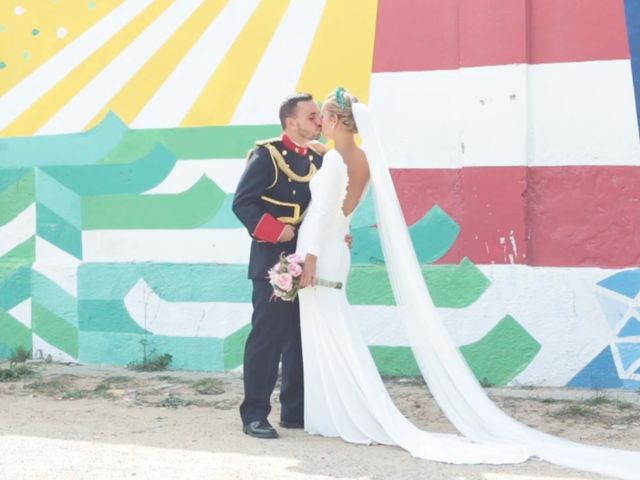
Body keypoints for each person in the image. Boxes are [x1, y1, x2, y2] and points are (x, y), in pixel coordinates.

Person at [294, 87, 640, 479]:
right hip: (339, 247)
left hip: (320, 250)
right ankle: (336, 413)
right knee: (333, 327)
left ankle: (346, 413)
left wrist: (308, 260)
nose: (319, 122)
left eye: (322, 116)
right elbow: (344, 210)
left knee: (328, 329)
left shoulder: (336, 162)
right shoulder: (361, 159)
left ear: (336, 120)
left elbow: (323, 213)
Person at [232, 93, 323, 439]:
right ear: (290, 122)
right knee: (267, 338)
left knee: (301, 338)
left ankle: (295, 412)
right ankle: (254, 414)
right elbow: (242, 204)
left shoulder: (317, 158)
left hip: (308, 259)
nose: (318, 122)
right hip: (273, 259)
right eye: (311, 116)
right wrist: (277, 230)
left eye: (318, 116)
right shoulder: (267, 155)